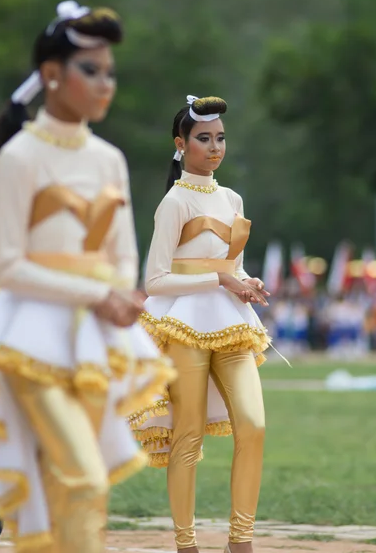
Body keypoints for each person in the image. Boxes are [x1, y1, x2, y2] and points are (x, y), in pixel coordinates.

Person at [0, 0, 173, 553]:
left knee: (73, 485)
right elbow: (5, 264)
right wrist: (100, 293)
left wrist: (120, 294)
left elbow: (123, 251)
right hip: (31, 334)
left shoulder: (109, 159)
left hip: (96, 339)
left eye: (110, 72)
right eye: (90, 70)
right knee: (82, 478)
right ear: (51, 75)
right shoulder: (18, 158)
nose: (105, 84)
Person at [130, 95, 271, 553]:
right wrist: (221, 278)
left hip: (231, 325)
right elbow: (154, 280)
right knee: (186, 437)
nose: (215, 147)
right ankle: (186, 543)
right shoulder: (174, 201)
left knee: (253, 426)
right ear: (181, 144)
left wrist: (247, 281)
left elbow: (235, 265)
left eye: (220, 139)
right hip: (185, 327)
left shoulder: (232, 198)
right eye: (204, 139)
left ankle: (241, 540)